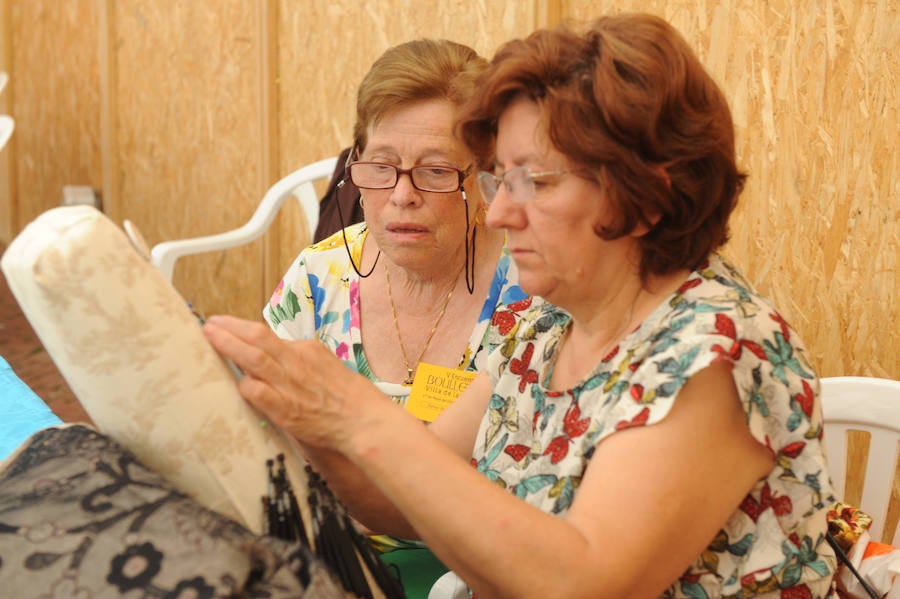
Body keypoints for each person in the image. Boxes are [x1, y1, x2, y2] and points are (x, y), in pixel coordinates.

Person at [205, 13, 837, 597]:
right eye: (499, 180)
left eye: (534, 181)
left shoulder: (715, 351)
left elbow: (580, 583)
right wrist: (305, 417)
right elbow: (403, 503)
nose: (501, 212)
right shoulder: (545, 323)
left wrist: (358, 418)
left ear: (644, 196)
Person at [262, 38, 526, 594]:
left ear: (484, 178)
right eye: (380, 167)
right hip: (323, 562)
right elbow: (261, 438)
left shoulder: (530, 294)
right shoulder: (320, 277)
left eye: (434, 172)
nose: (401, 195)